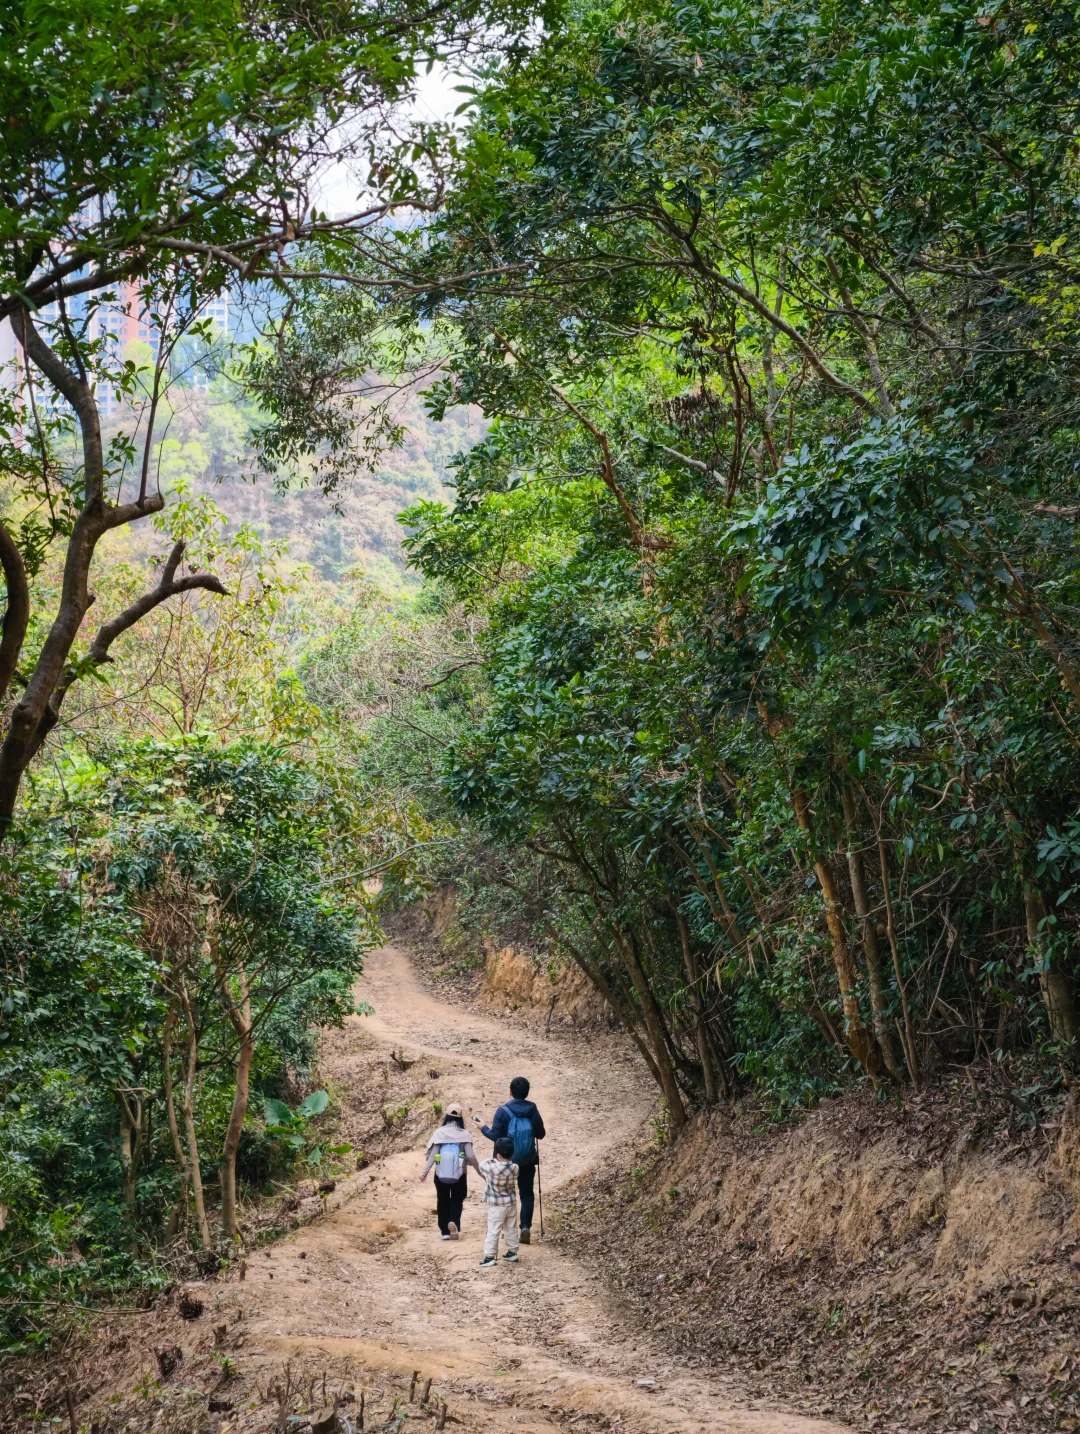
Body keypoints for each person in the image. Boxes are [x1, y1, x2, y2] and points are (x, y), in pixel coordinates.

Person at [478, 1076, 545, 1243]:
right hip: (527, 1160)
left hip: (505, 1163)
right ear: (527, 1092)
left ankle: (506, 1231)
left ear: (510, 1092)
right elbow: (541, 1134)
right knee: (527, 1194)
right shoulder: (533, 1110)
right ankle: (525, 1227)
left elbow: (495, 1135)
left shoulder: (503, 1111)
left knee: (505, 1194)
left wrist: (482, 1127)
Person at [420, 1102, 481, 1240]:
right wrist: (478, 1170)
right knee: (457, 1198)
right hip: (460, 1174)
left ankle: (445, 1232)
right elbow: (470, 1155)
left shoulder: (439, 1133)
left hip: (440, 1174)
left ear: (446, 1116)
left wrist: (424, 1172)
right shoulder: (465, 1134)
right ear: (460, 1118)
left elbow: (432, 1154)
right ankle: (453, 1220)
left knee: (442, 1200)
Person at [478, 1137, 519, 1266]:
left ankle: (490, 1256)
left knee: (493, 1230)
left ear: (498, 1155)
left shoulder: (492, 1168)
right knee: (511, 1228)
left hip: (496, 1206)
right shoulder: (515, 1167)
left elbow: (481, 1165)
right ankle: (512, 1252)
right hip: (511, 1203)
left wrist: (492, 1160)